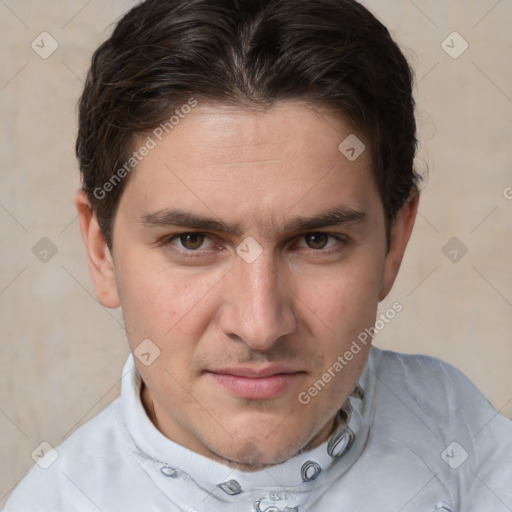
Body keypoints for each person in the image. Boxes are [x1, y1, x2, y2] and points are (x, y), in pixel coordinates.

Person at [4, 0, 511, 510]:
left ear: (394, 243)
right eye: (192, 241)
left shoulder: (464, 436)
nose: (260, 325)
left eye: (317, 240)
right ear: (102, 252)